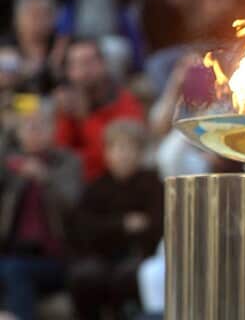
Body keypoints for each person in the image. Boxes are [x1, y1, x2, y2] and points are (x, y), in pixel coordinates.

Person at [65, 119, 162, 320]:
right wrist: (123, 224)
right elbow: (84, 227)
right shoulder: (97, 186)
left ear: (140, 153)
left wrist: (114, 227)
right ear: (107, 153)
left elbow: (156, 224)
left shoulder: (152, 183)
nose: (122, 155)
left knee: (127, 276)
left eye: (128, 148)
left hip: (139, 255)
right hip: (101, 255)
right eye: (116, 148)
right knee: (84, 276)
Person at [0, 104, 82, 320]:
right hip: (11, 252)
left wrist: (45, 179)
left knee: (14, 270)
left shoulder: (67, 163)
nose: (34, 132)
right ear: (17, 133)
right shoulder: (9, 166)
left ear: (53, 131)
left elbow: (71, 205)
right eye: (27, 126)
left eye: (40, 126)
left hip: (53, 257)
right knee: (11, 267)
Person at [51, 38, 144, 181]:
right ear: (68, 72)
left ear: (103, 64)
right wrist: (64, 115)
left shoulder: (125, 101)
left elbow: (125, 153)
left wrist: (87, 119)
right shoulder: (65, 108)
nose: (83, 71)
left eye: (88, 62)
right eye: (75, 64)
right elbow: (60, 158)